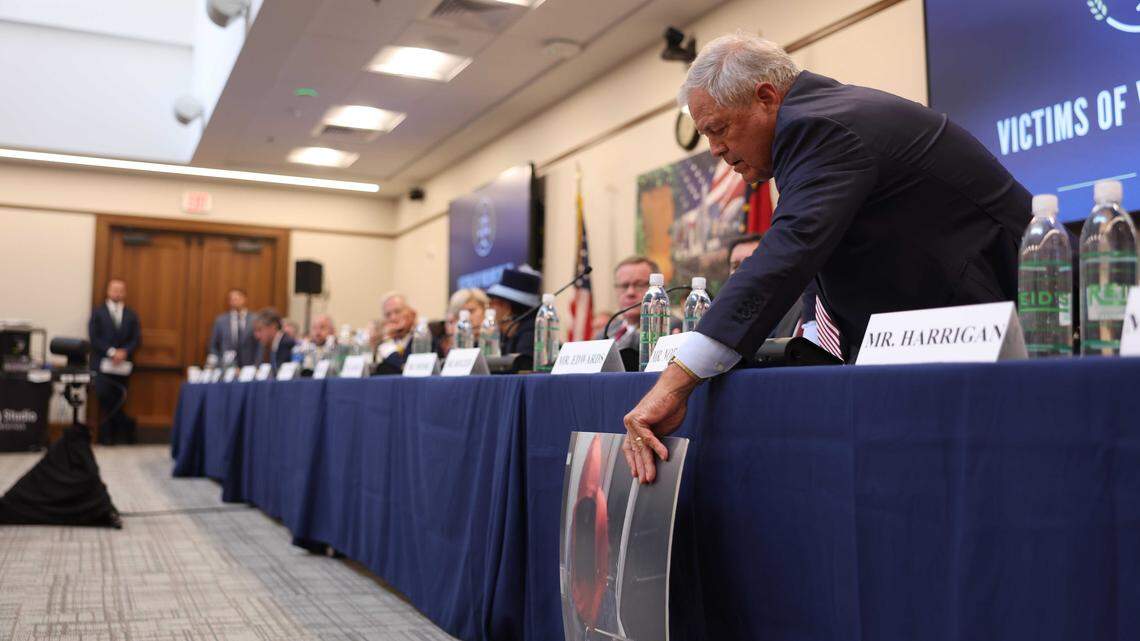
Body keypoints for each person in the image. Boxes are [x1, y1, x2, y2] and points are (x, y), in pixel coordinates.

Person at [623, 33, 1030, 483]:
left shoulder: (821, 127)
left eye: (719, 129)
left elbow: (785, 256)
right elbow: (820, 253)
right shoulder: (813, 124)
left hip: (1008, 322)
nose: (716, 150)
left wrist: (675, 382)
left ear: (765, 97)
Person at [726, 233, 818, 341]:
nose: (741, 271)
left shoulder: (806, 309)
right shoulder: (724, 320)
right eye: (735, 266)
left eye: (750, 263)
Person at [88, 279, 141, 445]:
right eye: (114, 290)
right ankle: (106, 436)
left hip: (123, 365)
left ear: (124, 293)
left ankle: (119, 435)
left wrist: (124, 352)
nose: (117, 293)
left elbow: (136, 338)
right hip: (103, 364)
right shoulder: (98, 313)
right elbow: (94, 337)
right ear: (108, 291)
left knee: (120, 399)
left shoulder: (131, 315)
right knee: (105, 397)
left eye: (120, 290)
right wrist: (111, 352)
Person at [595, 256, 682, 351]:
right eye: (624, 286)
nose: (630, 292)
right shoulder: (605, 333)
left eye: (639, 285)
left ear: (659, 288)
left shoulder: (668, 326)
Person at [487, 267, 542, 358]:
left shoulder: (530, 334)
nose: (489, 308)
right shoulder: (504, 335)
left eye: (492, 303)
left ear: (507, 307)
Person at [207, 288, 258, 367]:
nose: (234, 301)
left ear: (244, 299)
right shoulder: (221, 321)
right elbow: (213, 346)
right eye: (231, 299)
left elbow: (260, 345)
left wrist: (257, 364)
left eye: (237, 298)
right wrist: (220, 363)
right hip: (227, 366)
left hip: (250, 366)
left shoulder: (255, 319)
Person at [437, 288, 491, 357]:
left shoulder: (496, 334)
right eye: (462, 313)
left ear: (485, 309)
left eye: (471, 311)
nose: (467, 317)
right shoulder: (446, 338)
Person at [375, 293, 417, 369]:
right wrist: (387, 340)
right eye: (388, 314)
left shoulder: (424, 338)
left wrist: (390, 352)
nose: (393, 318)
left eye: (397, 311)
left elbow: (410, 368)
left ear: (411, 312)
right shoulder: (383, 342)